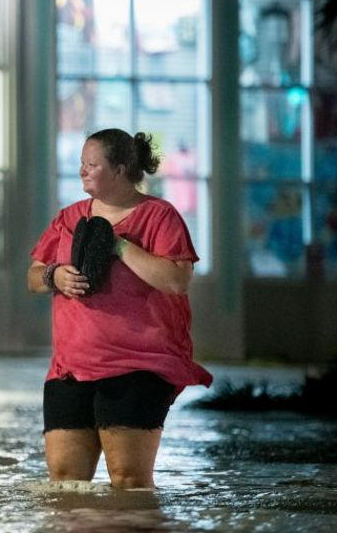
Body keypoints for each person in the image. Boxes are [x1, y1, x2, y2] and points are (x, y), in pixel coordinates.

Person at [27, 128, 212, 489]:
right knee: (64, 484)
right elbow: (32, 276)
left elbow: (177, 280)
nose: (82, 171)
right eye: (81, 163)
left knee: (129, 482)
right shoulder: (69, 218)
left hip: (137, 368)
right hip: (71, 368)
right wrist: (55, 276)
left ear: (121, 169)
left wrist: (120, 247)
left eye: (92, 164)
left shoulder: (159, 216)